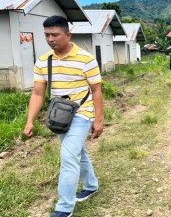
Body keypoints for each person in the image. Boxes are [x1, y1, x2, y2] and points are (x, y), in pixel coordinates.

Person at [23, 16, 103, 217]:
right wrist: (30, 120)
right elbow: (38, 93)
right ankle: (91, 185)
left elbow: (96, 91)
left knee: (68, 157)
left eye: (55, 34)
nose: (50, 39)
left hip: (82, 113)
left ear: (68, 35)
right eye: (47, 35)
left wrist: (99, 120)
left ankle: (64, 208)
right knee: (77, 153)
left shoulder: (86, 59)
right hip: (59, 116)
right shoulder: (43, 61)